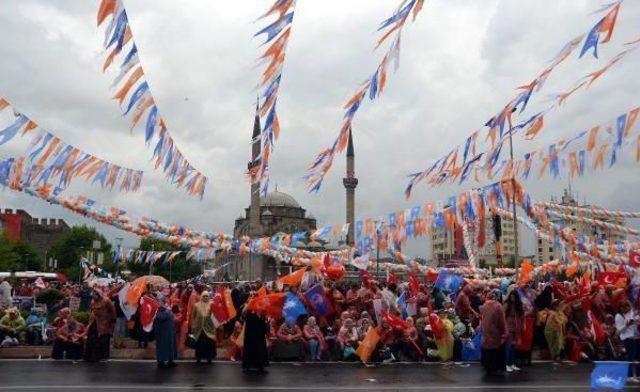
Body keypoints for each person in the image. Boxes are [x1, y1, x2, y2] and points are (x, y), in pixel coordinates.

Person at [481, 289, 507, 377]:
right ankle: (496, 368)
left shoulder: (485, 305)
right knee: (496, 350)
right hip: (495, 332)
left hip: (486, 332)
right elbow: (501, 321)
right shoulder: (498, 305)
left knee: (487, 350)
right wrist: (504, 332)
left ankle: (488, 368)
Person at [84, 290, 116, 362]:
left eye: (95, 295)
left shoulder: (106, 301)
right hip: (93, 322)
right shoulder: (93, 301)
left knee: (103, 339)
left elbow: (113, 311)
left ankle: (102, 356)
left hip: (104, 322)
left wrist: (112, 321)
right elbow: (91, 310)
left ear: (98, 294)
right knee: (91, 338)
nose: (93, 297)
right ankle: (89, 356)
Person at [615, 301, 639, 383]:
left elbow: (634, 323)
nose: (629, 309)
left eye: (629, 307)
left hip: (634, 337)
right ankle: (630, 376)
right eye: (626, 307)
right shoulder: (618, 316)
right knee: (630, 358)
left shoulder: (630, 313)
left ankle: (636, 375)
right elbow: (619, 331)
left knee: (636, 357)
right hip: (627, 339)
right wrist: (627, 325)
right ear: (621, 308)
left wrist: (636, 321)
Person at [191, 290, 216, 363]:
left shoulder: (211, 304)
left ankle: (209, 357)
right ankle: (199, 357)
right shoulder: (196, 305)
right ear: (201, 296)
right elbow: (193, 316)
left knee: (209, 343)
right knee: (199, 343)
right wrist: (193, 325)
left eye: (207, 296)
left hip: (209, 327)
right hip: (199, 327)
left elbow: (214, 316)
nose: (205, 297)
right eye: (204, 296)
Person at [154, 294, 177, 368]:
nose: (160, 302)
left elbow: (172, 316)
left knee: (171, 346)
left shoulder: (166, 307)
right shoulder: (158, 309)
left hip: (169, 330)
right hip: (162, 331)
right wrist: (167, 311)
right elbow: (160, 317)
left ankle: (171, 360)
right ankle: (161, 362)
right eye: (159, 300)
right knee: (161, 346)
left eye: (161, 301)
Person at [504, 289, 524, 373]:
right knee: (508, 347)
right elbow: (503, 316)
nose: (512, 298)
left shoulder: (518, 305)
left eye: (514, 296)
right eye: (511, 296)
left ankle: (511, 363)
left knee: (513, 347)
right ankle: (506, 364)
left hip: (516, 328)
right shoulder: (507, 305)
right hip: (509, 328)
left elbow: (521, 316)